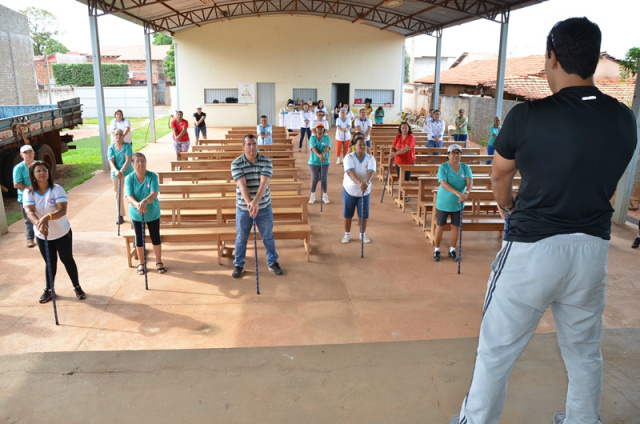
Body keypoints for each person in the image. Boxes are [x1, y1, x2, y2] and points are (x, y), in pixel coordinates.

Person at [450, 17, 637, 424]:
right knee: (584, 349)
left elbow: (499, 175)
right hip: (591, 249)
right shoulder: (624, 118)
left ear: (552, 57)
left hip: (532, 248)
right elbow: (606, 180)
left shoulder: (528, 115)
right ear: (592, 58)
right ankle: (582, 420)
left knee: (496, 349)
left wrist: (509, 205)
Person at [23, 160, 86, 303]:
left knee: (67, 260)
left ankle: (76, 286)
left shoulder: (57, 189)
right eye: (38, 171)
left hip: (62, 233)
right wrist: (39, 223)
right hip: (42, 235)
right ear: (33, 175)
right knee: (50, 263)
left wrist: (48, 217)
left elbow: (62, 210)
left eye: (44, 170)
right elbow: (29, 211)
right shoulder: (29, 192)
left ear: (49, 172)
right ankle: (49, 289)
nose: (42, 173)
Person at [231, 134, 283, 278]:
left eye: (254, 144)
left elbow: (264, 184)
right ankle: (238, 264)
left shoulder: (266, 161)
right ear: (243, 147)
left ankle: (272, 262)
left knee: (267, 236)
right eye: (248, 144)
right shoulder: (236, 163)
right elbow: (242, 185)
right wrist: (250, 204)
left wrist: (256, 203)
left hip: (264, 207)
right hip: (243, 208)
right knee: (241, 237)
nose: (252, 147)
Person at [125, 152, 165, 275]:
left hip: (152, 212)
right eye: (137, 161)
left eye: (143, 161)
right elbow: (129, 196)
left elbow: (154, 193)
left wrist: (145, 201)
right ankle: (142, 263)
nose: (140, 164)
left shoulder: (152, 176)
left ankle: (159, 261)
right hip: (137, 214)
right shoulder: (129, 178)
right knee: (139, 238)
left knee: (155, 237)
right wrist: (138, 205)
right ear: (132, 164)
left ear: (146, 162)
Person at [432, 144, 472, 262]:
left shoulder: (465, 167)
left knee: (456, 227)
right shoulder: (443, 167)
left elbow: (469, 182)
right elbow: (443, 183)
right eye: (453, 153)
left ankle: (452, 250)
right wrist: (458, 193)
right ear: (448, 155)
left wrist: (466, 193)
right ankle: (437, 250)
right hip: (444, 202)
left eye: (458, 153)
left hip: (458, 203)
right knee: (440, 226)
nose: (456, 155)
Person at [341, 136, 376, 244]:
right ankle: (347, 234)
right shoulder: (349, 157)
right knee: (348, 213)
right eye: (359, 145)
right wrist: (360, 182)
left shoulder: (370, 158)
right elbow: (350, 172)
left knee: (363, 214)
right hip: (349, 189)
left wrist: (366, 182)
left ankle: (362, 234)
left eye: (364, 145)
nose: (362, 147)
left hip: (365, 191)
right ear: (354, 146)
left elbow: (371, 172)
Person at [108, 129, 134, 224]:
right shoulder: (111, 147)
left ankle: (134, 213)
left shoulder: (127, 146)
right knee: (118, 194)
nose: (118, 136)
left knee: (130, 194)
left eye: (120, 134)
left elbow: (128, 160)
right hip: (116, 174)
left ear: (123, 136)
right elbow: (111, 161)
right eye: (116, 134)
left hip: (127, 173)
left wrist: (121, 171)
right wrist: (116, 171)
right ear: (114, 136)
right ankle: (120, 215)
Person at [13, 144, 36, 248]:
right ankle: (30, 239)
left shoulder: (39, 165)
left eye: (30, 152)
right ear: (21, 155)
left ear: (34, 153)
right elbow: (16, 184)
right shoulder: (18, 168)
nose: (28, 155)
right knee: (28, 219)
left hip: (39, 196)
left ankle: (44, 236)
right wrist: (29, 188)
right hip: (25, 198)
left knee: (42, 215)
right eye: (25, 153)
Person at [389, 122, 416, 200]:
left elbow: (407, 148)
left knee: (406, 179)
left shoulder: (411, 137)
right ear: (400, 129)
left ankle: (406, 195)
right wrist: (391, 152)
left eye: (406, 128)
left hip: (408, 161)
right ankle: (401, 193)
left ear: (409, 128)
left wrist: (396, 153)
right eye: (403, 128)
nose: (404, 129)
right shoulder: (398, 136)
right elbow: (393, 146)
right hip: (398, 161)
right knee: (400, 178)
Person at [308, 123, 331, 204]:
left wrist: (323, 154)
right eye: (318, 128)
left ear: (323, 129)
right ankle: (312, 195)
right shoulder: (312, 138)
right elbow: (313, 148)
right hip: (313, 162)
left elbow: (327, 147)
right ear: (316, 129)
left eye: (322, 128)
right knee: (315, 179)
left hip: (325, 161)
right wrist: (319, 155)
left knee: (324, 179)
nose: (320, 129)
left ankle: (325, 195)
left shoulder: (326, 138)